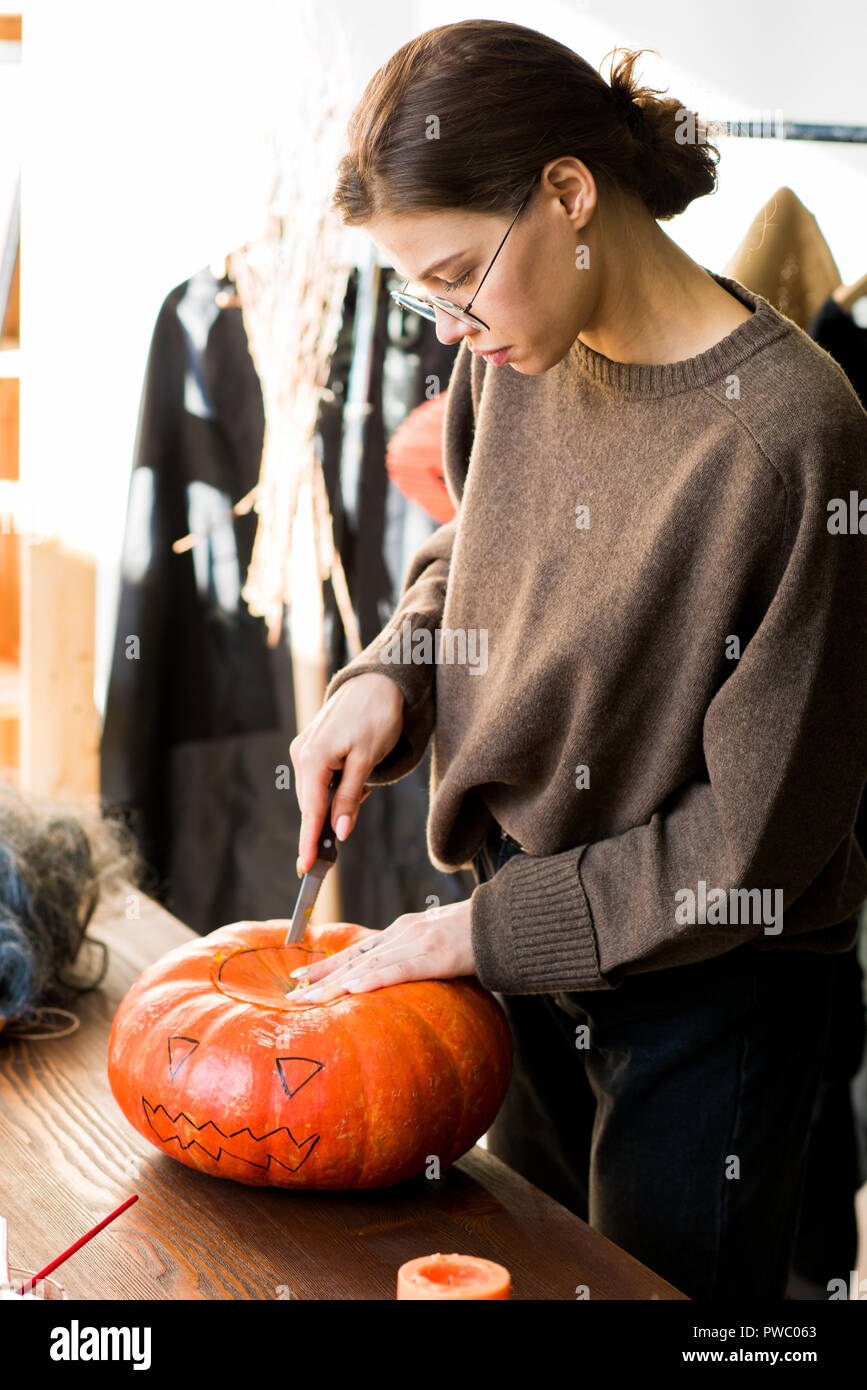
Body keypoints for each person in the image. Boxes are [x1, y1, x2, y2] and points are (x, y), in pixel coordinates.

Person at [285, 21, 867, 1300]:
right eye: (419, 295)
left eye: (456, 278)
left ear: (567, 191)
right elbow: (475, 554)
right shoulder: (520, 350)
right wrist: (394, 674)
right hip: (532, 935)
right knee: (533, 1272)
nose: (448, 329)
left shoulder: (794, 437)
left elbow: (758, 842)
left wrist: (484, 934)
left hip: (713, 987)